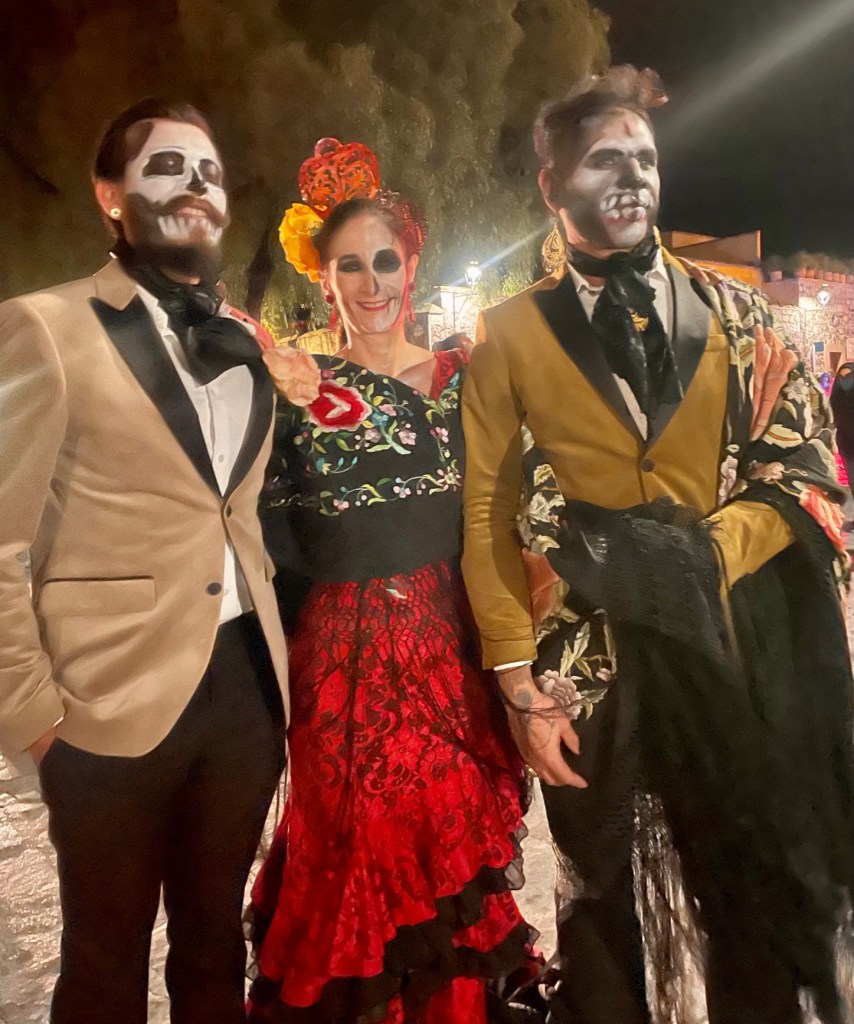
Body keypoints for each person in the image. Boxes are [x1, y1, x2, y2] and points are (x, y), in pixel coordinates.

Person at [462, 66, 854, 1024]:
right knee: (599, 905)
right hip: (585, 667)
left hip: (727, 649)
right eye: (605, 159)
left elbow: (803, 462)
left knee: (746, 888)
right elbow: (485, 515)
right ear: (552, 185)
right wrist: (519, 688)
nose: (633, 175)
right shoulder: (507, 334)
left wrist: (706, 554)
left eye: (644, 157)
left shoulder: (737, 311)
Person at [0, 99, 288, 1024]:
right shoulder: (42, 326)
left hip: (245, 693)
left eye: (208, 172)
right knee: (104, 964)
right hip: (106, 705)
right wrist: (34, 718)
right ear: (110, 194)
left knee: (214, 947)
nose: (194, 185)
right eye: (165, 165)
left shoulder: (244, 344)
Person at [247, 139, 533, 1024]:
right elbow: (248, 526)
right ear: (321, 277)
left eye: (384, 260)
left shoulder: (464, 377)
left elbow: (520, 496)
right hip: (339, 670)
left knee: (444, 842)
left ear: (412, 265)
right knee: (355, 849)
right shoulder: (291, 387)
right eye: (348, 265)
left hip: (451, 658)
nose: (370, 282)